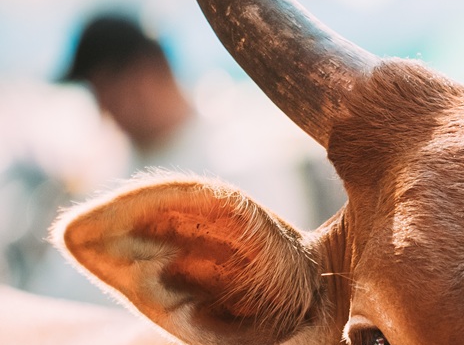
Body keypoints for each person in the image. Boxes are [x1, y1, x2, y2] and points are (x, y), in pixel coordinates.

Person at [56, 12, 335, 229]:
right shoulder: (109, 172)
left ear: (149, 72)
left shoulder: (238, 160)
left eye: (107, 89)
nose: (104, 109)